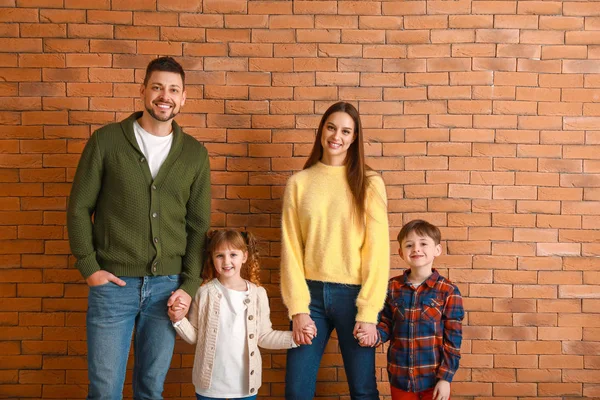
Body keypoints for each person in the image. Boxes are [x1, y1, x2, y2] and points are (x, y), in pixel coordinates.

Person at [67, 56, 211, 400]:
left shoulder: (195, 154)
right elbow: (78, 208)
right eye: (158, 87)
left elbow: (198, 225)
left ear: (184, 97)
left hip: (167, 291)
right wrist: (90, 268)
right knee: (104, 391)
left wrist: (189, 284)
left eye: (174, 89)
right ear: (143, 91)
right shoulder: (106, 142)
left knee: (151, 389)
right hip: (113, 285)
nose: (165, 96)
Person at [280, 101, 390, 399]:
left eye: (345, 131)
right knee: (296, 390)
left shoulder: (369, 183)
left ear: (354, 138)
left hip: (353, 297)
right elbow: (291, 250)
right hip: (310, 297)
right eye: (331, 127)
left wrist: (368, 312)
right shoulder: (299, 183)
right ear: (321, 131)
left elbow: (377, 253)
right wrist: (298, 309)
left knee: (363, 390)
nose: (336, 136)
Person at [169, 230, 316, 400]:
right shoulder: (204, 293)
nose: (226, 261)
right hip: (209, 387)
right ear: (212, 258)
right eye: (220, 256)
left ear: (244, 256)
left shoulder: (258, 294)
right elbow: (195, 336)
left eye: (233, 254)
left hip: (245, 387)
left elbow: (264, 336)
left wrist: (295, 338)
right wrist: (178, 319)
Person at [362, 220, 464, 400]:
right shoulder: (392, 287)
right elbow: (386, 324)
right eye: (409, 245)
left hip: (434, 381)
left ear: (437, 250)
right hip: (400, 378)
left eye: (423, 244)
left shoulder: (448, 291)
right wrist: (373, 336)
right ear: (401, 252)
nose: (416, 249)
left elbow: (453, 341)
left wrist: (445, 379)